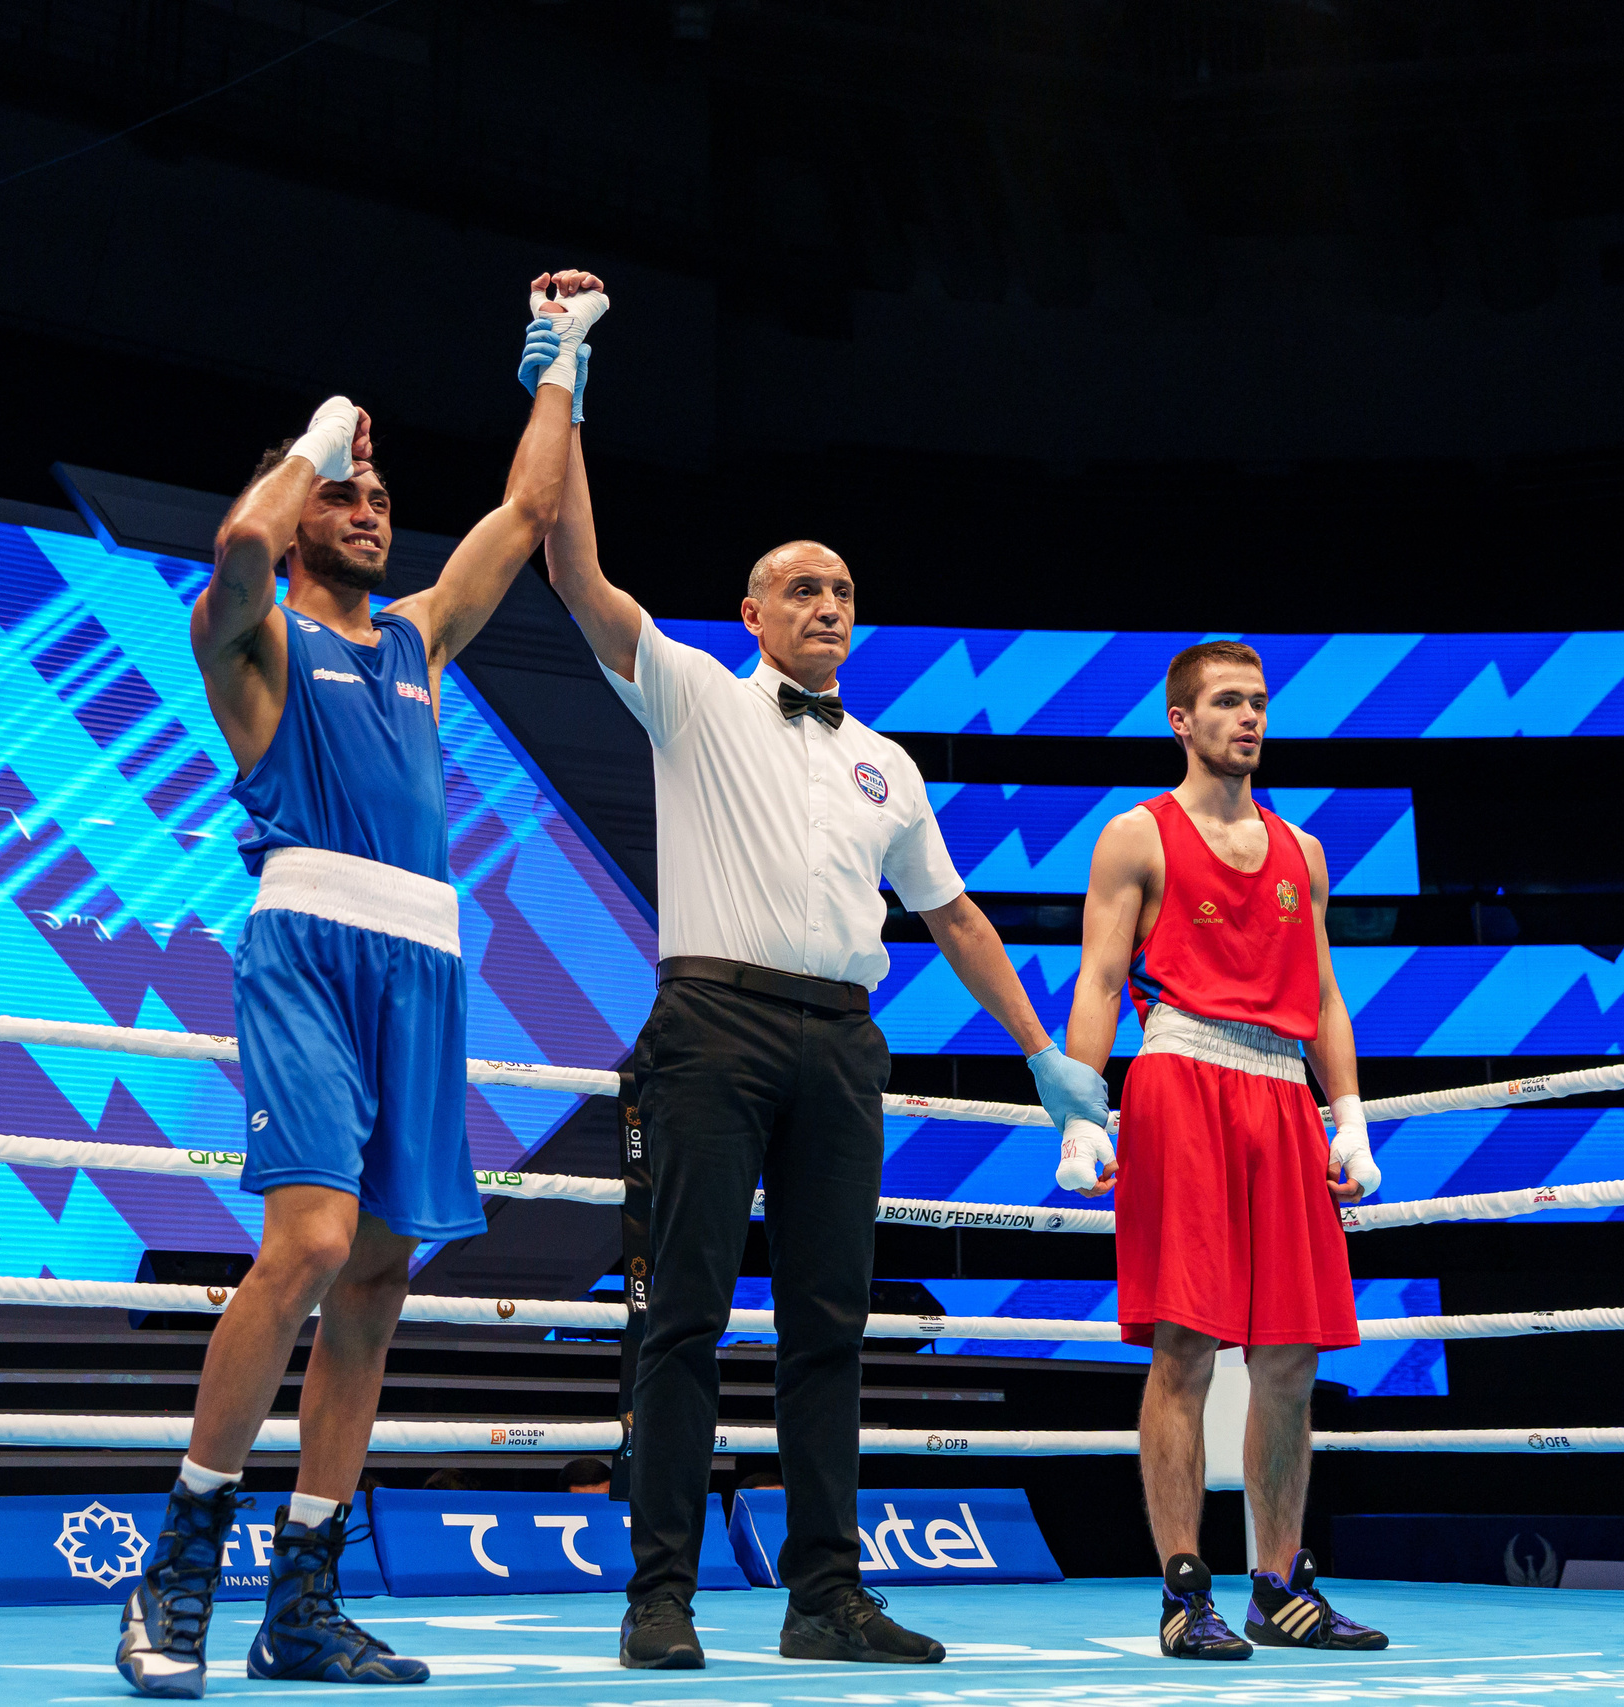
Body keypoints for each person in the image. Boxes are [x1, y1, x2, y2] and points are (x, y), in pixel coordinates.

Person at [115, 271, 606, 1697]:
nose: (370, 506)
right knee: (312, 1244)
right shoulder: (254, 646)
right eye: (349, 491)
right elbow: (235, 540)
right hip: (310, 950)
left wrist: (559, 363)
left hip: (426, 961)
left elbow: (521, 517)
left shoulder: (419, 644)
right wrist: (322, 436)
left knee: (381, 1280)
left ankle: (306, 1596)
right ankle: (179, 1568)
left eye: (379, 490)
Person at [544, 441, 1109, 1669]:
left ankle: (824, 1600)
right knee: (678, 1317)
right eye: (803, 588)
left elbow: (952, 915)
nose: (828, 606)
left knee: (830, 1330)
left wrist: (1040, 1055)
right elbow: (578, 574)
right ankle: (661, 1597)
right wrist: (571, 404)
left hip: (844, 1046)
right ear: (752, 613)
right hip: (708, 1027)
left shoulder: (887, 764)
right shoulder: (692, 692)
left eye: (844, 591)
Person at [1063, 641, 1388, 1661]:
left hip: (1283, 1094)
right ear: (1180, 718)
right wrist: (1081, 1111)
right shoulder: (1136, 835)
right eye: (1226, 702)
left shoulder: (1303, 851)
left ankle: (1279, 1586)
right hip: (1180, 1078)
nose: (1247, 718)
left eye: (1257, 702)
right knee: (1184, 1346)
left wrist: (1349, 1115)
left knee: (1289, 1357)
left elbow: (1326, 992)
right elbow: (1100, 981)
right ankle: (1181, 1588)